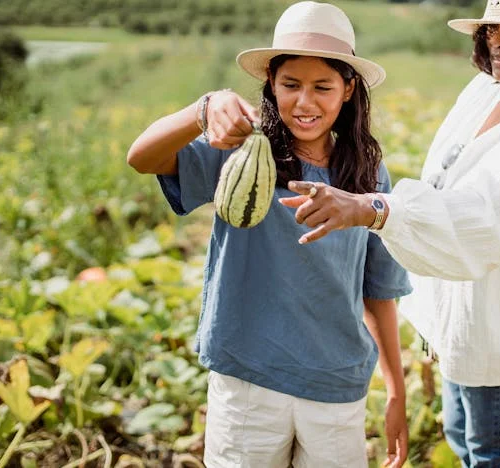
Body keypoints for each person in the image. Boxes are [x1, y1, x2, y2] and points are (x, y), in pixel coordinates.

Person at [278, 0, 500, 465]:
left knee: (495, 452)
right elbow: (445, 183)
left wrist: (370, 207)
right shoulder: (489, 90)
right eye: (493, 28)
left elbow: (478, 220)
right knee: (460, 433)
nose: (498, 39)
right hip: (465, 309)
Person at [126, 2, 412, 467]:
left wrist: (396, 391)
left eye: (323, 87)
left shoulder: (368, 173)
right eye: (290, 85)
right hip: (248, 380)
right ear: (270, 86)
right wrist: (202, 109)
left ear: (348, 90)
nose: (305, 102)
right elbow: (140, 157)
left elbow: (379, 290)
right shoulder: (238, 152)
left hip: (335, 385)